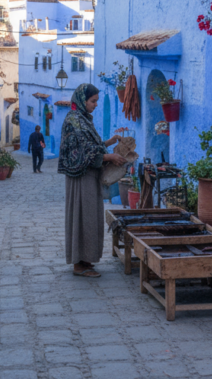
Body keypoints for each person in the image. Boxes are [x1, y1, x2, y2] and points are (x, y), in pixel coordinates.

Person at [58, 84, 126, 278]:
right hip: (80, 178)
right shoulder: (74, 120)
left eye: (97, 101)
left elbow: (91, 146)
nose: (95, 105)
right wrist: (110, 158)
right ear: (82, 100)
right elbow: (82, 152)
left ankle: (86, 260)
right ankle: (79, 264)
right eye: (93, 101)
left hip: (89, 176)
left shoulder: (84, 120)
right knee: (82, 217)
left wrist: (110, 142)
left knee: (89, 217)